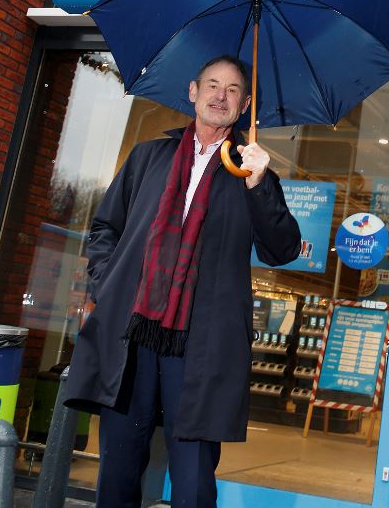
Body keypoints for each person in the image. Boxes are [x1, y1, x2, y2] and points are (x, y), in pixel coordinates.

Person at [63, 55, 302, 508]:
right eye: (212, 85)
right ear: (193, 92)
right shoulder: (149, 157)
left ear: (244, 104)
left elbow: (283, 248)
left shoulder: (249, 172)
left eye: (232, 90)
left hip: (202, 344)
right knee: (118, 469)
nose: (220, 96)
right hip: (133, 333)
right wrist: (108, 282)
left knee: (192, 479)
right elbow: (104, 229)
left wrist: (259, 185)